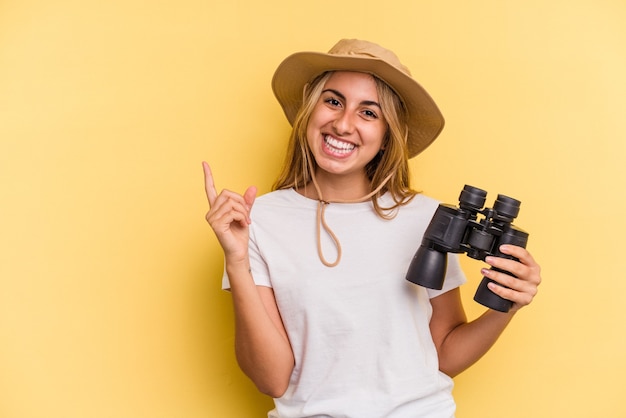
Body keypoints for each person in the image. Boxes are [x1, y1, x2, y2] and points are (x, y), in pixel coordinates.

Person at [203, 39, 542, 418]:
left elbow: (444, 354)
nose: (343, 124)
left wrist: (506, 305)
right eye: (332, 101)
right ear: (309, 111)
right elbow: (273, 380)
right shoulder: (258, 219)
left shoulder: (425, 217)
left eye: (368, 113)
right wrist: (236, 261)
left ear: (386, 137)